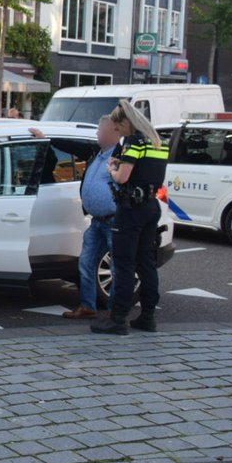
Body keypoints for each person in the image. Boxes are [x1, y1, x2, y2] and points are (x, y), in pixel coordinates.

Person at [91, 102, 169, 336]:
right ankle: (147, 316)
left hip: (131, 209)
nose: (118, 132)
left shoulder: (134, 142)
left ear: (126, 122)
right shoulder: (158, 142)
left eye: (118, 127)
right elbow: (146, 170)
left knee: (124, 263)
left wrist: (112, 169)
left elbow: (122, 178)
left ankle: (118, 319)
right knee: (146, 263)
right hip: (151, 206)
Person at [65, 115, 120, 320]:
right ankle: (88, 306)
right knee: (86, 262)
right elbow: (71, 146)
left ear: (113, 132)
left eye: (100, 130)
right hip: (97, 221)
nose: (97, 133)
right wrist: (44, 137)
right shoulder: (97, 152)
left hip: (114, 220)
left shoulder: (121, 155)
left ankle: (115, 312)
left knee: (116, 267)